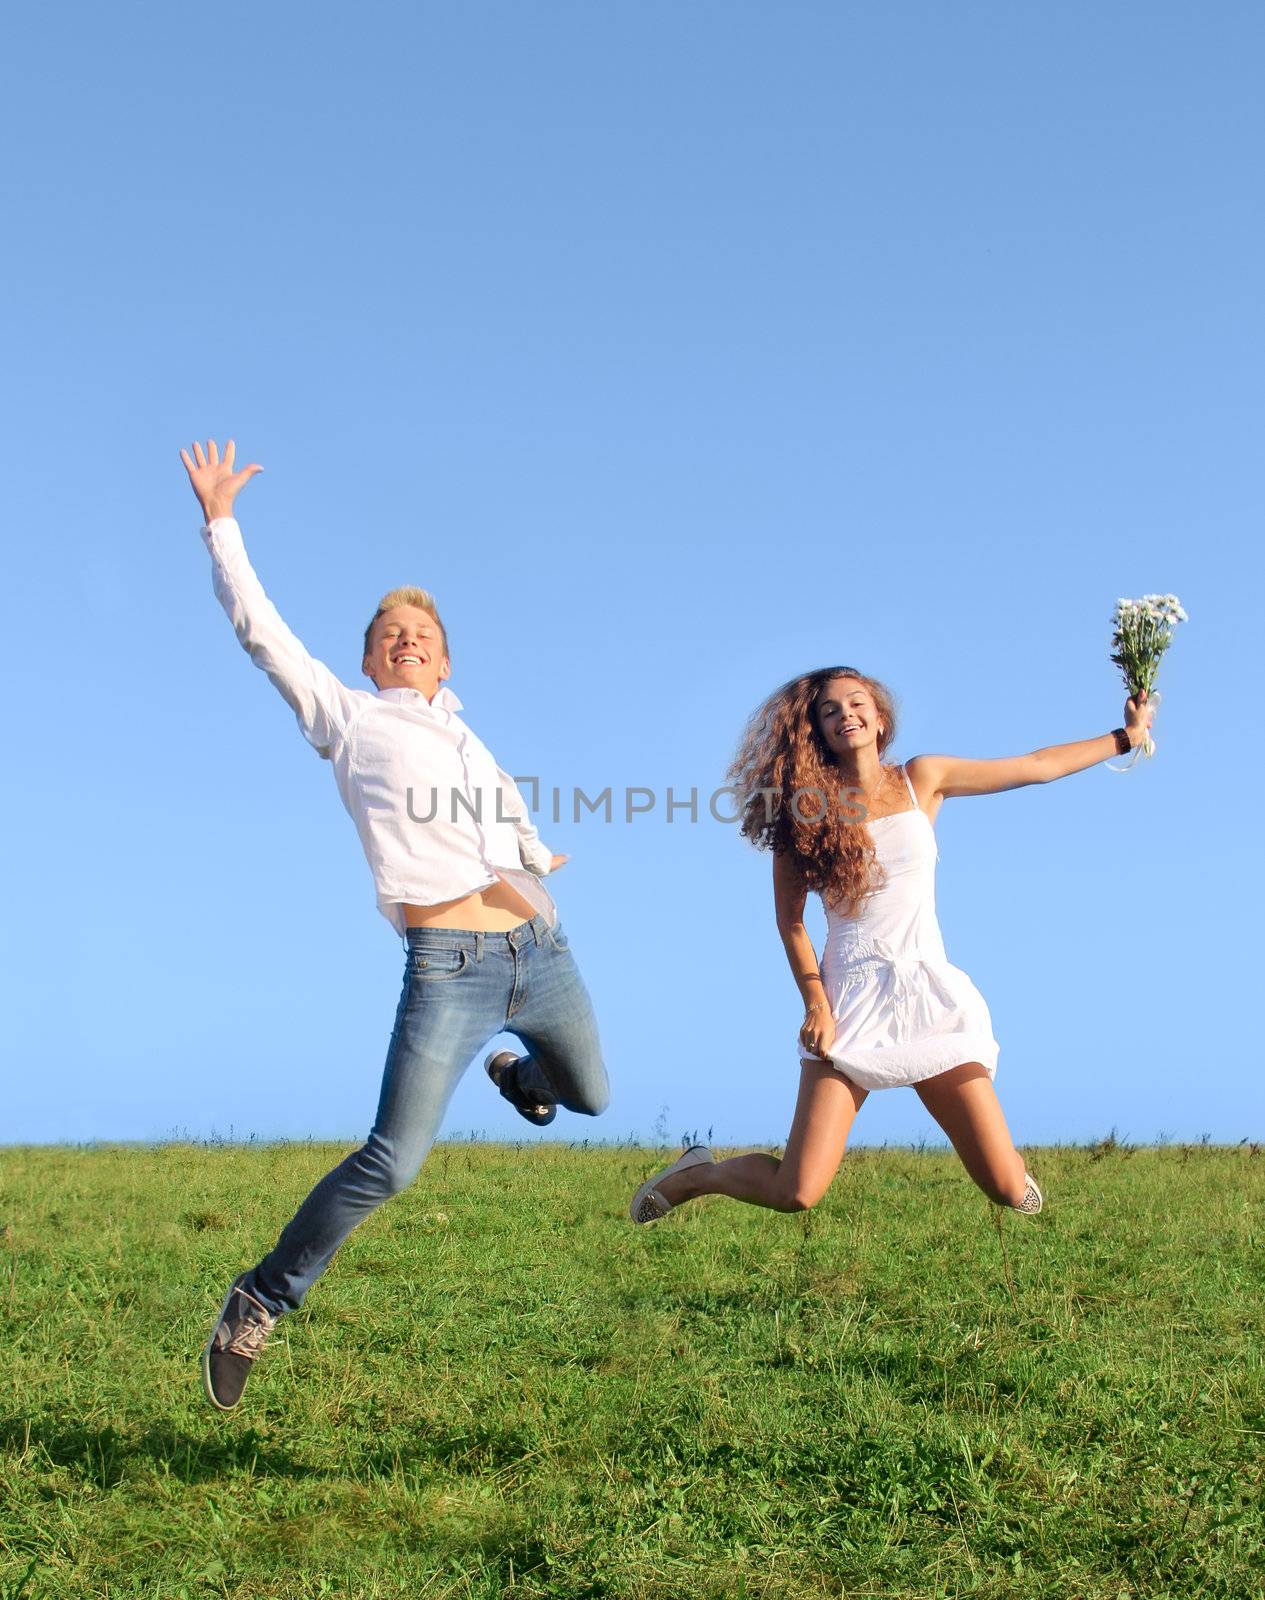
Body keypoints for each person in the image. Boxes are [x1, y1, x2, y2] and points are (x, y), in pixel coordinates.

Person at [182, 440, 609, 1411]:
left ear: (445, 656)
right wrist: (220, 521)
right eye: (387, 630)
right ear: (369, 657)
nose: (404, 636)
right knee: (393, 1159)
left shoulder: (469, 734)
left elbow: (508, 816)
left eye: (419, 627)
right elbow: (259, 630)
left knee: (589, 1094)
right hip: (447, 966)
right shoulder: (348, 716)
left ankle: (518, 1071)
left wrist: (540, 861)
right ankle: (258, 1298)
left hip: (539, 951)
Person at [631, 666, 1153, 1224]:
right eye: (829, 711)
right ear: (817, 733)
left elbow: (1034, 766)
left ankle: (1008, 1169)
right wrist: (816, 1004)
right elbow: (792, 922)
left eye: (856, 704)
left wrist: (1127, 736)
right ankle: (697, 1173)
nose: (845, 715)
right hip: (848, 1000)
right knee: (798, 1191)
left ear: (880, 717)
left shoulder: (920, 779)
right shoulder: (806, 814)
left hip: (925, 990)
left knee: (1006, 1187)